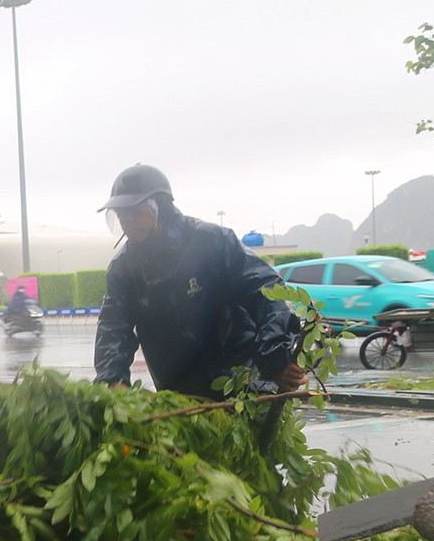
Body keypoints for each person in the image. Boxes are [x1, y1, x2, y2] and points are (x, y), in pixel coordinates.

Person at [94, 165, 307, 399]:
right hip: (179, 397)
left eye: (137, 213)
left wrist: (276, 358)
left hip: (242, 386)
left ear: (161, 209)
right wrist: (113, 378)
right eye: (122, 215)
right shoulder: (123, 268)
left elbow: (266, 291)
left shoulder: (213, 242)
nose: (129, 222)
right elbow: (113, 328)